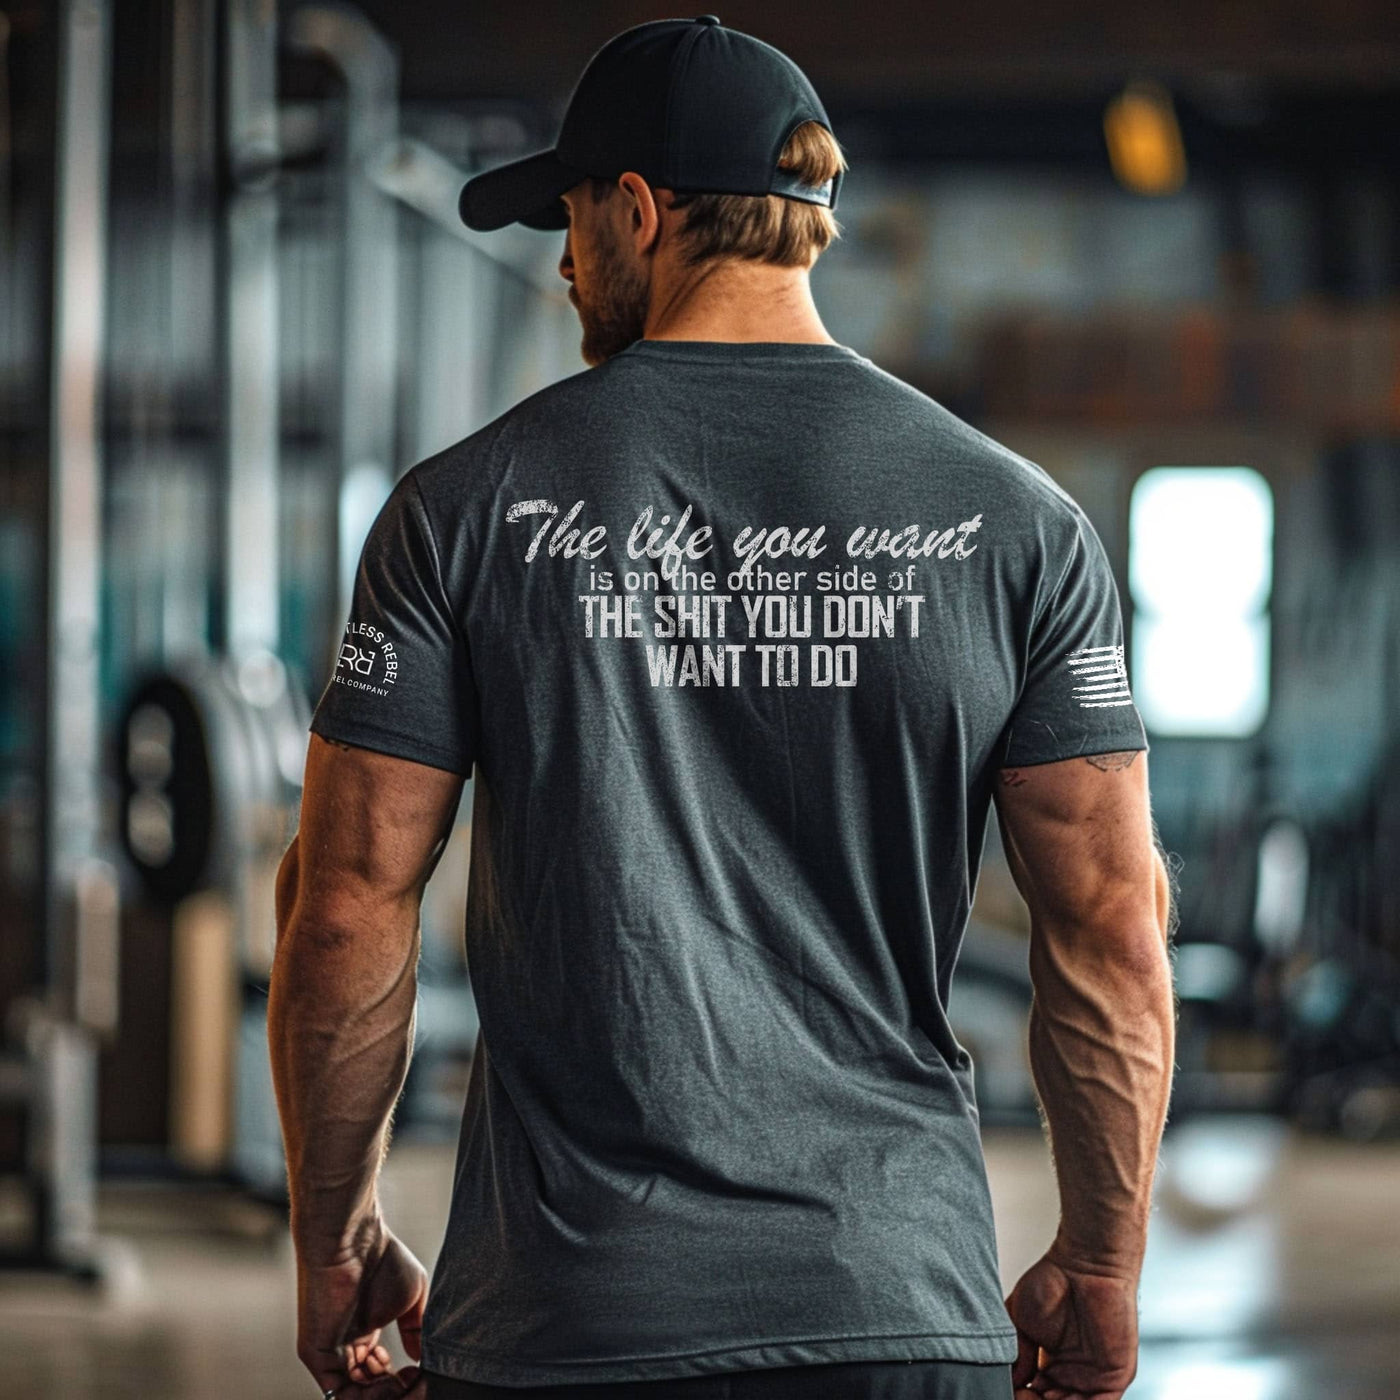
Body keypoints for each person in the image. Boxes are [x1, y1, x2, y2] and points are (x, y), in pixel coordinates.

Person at [268, 15, 1177, 1400]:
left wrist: (335, 1239)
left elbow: (343, 908)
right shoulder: (1022, 527)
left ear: (638, 209)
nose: (567, 266)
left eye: (571, 222)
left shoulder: (460, 511)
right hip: (893, 1312)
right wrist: (1104, 1264)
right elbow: (1113, 924)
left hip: (570, 1328)